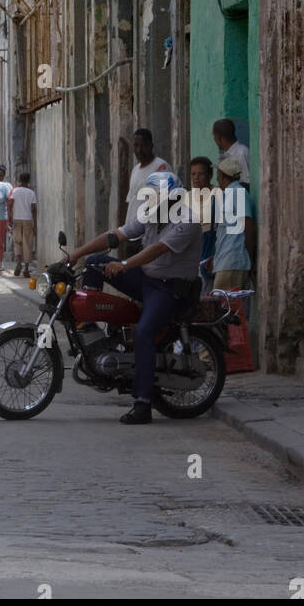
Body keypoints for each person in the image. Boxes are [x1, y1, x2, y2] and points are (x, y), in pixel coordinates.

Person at [66, 170, 201, 425]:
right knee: (95, 263)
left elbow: (157, 250)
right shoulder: (150, 216)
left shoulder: (187, 221)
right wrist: (75, 255)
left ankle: (143, 404)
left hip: (171, 289)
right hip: (147, 280)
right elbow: (115, 236)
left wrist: (125, 264)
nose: (152, 204)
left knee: (144, 334)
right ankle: (90, 330)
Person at [205, 156, 255, 292]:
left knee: (227, 308)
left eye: (218, 174)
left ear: (222, 175)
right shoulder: (228, 194)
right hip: (226, 261)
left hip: (233, 261)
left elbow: (248, 226)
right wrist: (216, 257)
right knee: (223, 307)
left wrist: (250, 260)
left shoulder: (237, 192)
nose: (217, 178)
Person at [124, 129, 172, 237]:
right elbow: (131, 202)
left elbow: (166, 203)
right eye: (136, 145)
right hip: (131, 233)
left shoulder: (161, 167)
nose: (139, 150)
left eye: (144, 145)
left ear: (151, 146)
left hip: (148, 235)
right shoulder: (135, 170)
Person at [187, 156, 217, 283]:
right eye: (193, 174)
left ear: (210, 175)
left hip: (212, 247)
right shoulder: (187, 197)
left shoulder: (218, 194)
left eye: (201, 174)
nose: (196, 178)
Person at [8, 172, 38, 277]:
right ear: (29, 180)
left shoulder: (15, 191)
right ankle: (26, 269)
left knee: (17, 242)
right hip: (28, 220)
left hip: (16, 219)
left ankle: (18, 263)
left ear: (19, 179)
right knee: (27, 243)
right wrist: (35, 224)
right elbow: (34, 209)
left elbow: (10, 204)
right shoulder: (31, 193)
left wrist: (10, 217)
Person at [212, 119, 250, 188]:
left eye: (214, 137)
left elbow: (247, 183)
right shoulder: (227, 154)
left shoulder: (241, 152)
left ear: (219, 138)